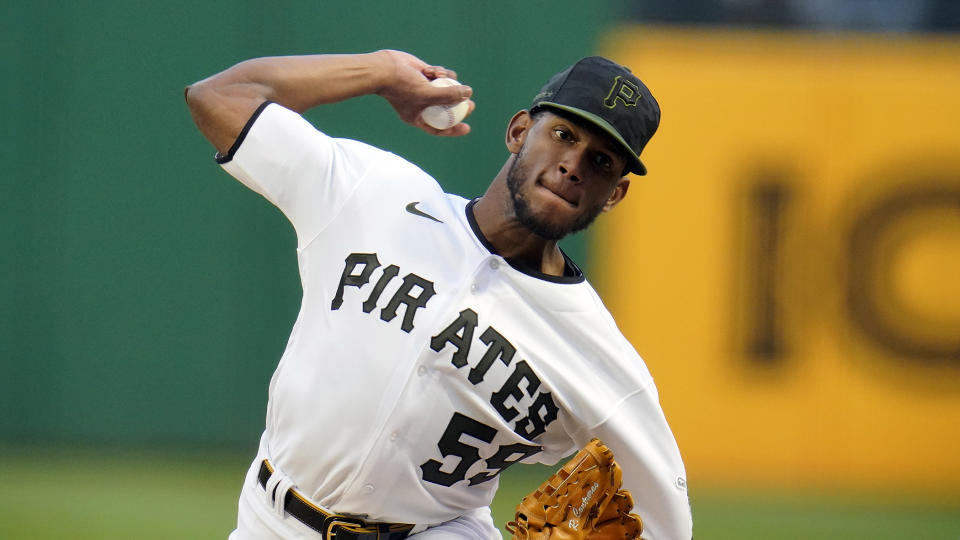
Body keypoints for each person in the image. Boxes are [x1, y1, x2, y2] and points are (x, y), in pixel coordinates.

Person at [185, 49, 692, 540]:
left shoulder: (594, 352)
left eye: (602, 161)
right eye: (563, 134)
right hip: (270, 522)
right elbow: (220, 96)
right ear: (519, 131)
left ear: (615, 195)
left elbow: (667, 521)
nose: (574, 165)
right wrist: (379, 71)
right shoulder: (373, 193)